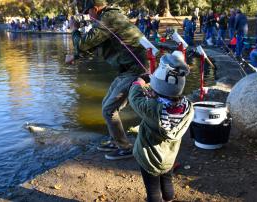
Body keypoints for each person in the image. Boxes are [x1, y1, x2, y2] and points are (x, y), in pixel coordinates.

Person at [66, 0, 148, 160]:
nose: (88, 16)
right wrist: (75, 56)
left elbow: (82, 44)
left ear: (95, 9)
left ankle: (125, 148)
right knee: (106, 104)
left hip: (138, 70)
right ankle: (115, 139)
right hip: (128, 69)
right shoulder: (109, 16)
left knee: (109, 109)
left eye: (88, 12)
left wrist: (75, 29)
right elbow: (95, 45)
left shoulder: (108, 18)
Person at [128, 51, 194, 202]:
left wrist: (139, 82)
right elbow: (168, 104)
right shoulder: (188, 107)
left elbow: (134, 98)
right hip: (169, 157)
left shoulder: (151, 109)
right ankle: (169, 200)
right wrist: (156, 95)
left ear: (156, 86)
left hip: (149, 159)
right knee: (167, 181)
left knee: (153, 191)